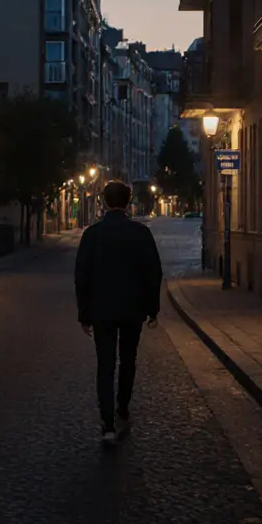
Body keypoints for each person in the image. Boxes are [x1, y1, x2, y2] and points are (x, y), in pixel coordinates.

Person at [74, 180, 164, 445]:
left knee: (105, 364)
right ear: (128, 202)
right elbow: (153, 272)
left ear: (103, 202)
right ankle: (122, 408)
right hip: (132, 309)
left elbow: (82, 276)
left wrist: (84, 313)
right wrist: (152, 309)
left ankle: (107, 424)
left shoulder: (92, 234)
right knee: (128, 360)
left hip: (102, 310)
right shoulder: (140, 233)